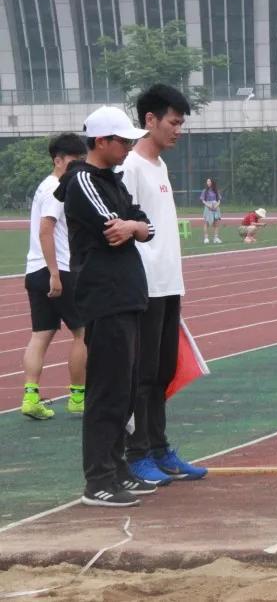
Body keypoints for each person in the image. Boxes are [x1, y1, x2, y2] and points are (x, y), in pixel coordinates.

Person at [54, 105, 157, 507]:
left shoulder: (113, 179)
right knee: (107, 390)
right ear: (101, 141)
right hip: (105, 295)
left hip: (126, 293)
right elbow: (112, 225)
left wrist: (134, 226)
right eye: (123, 140)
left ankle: (117, 468)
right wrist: (132, 226)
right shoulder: (82, 180)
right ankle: (98, 479)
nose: (129, 146)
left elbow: (143, 224)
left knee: (126, 388)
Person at [119, 84, 207, 486]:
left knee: (163, 370)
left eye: (181, 123)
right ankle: (137, 453)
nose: (178, 130)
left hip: (169, 285)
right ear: (150, 120)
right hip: (145, 287)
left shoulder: (160, 166)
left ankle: (158, 448)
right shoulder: (131, 167)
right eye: (173, 122)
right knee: (142, 374)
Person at [20, 133, 88, 420]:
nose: (79, 166)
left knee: (41, 334)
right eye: (74, 161)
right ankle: (78, 397)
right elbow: (45, 230)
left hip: (35, 270)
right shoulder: (58, 188)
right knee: (83, 332)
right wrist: (55, 274)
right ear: (58, 160)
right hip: (57, 270)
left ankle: (30, 398)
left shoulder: (44, 186)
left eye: (82, 160)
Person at [200, 177, 222, 244]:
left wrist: (216, 205)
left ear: (212, 182)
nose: (208, 183)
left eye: (209, 181)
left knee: (216, 223)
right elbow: (203, 200)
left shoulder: (216, 191)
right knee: (206, 223)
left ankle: (216, 238)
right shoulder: (205, 191)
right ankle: (206, 238)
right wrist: (208, 205)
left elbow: (219, 200)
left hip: (215, 208)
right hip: (208, 207)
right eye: (207, 181)